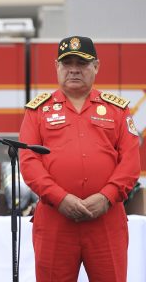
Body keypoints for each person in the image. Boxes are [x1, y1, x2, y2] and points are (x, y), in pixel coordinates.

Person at [19, 36, 141, 282]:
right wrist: (60, 198)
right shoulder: (38, 111)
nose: (74, 69)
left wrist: (107, 197)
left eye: (82, 63)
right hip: (55, 219)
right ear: (57, 67)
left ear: (96, 66)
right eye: (67, 63)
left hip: (106, 219)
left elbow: (130, 160)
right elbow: (28, 161)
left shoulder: (116, 109)